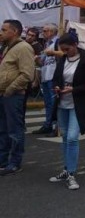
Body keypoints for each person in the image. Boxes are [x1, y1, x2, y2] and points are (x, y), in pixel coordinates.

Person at [48, 32, 85, 190]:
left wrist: (74, 89)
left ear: (75, 45)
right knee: (65, 137)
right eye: (63, 50)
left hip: (80, 103)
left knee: (72, 137)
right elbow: (57, 77)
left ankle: (71, 173)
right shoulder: (63, 59)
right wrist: (57, 86)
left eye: (67, 49)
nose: (65, 52)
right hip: (62, 103)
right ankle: (66, 169)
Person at [0, 19, 35, 175]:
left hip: (13, 95)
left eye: (4, 29)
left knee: (14, 130)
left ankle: (15, 162)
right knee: (3, 129)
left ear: (14, 31)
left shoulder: (23, 48)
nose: (1, 32)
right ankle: (3, 160)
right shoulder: (8, 48)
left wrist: (10, 89)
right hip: (4, 94)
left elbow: (27, 74)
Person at [33, 23, 62, 135]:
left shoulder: (57, 42)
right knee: (48, 103)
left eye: (45, 31)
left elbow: (63, 54)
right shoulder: (46, 44)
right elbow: (42, 63)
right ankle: (48, 125)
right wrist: (37, 60)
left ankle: (56, 127)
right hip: (46, 76)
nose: (43, 33)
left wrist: (53, 52)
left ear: (51, 31)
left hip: (53, 77)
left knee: (54, 103)